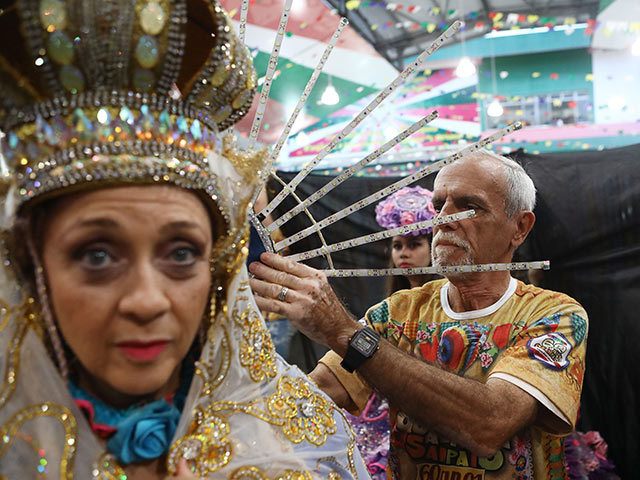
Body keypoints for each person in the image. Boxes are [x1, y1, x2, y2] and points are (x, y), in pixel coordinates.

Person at [0, 1, 370, 478]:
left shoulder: (297, 449)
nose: (147, 301)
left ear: (217, 270)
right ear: (33, 267)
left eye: (181, 253)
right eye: (97, 256)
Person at [249, 149, 588, 479]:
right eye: (438, 206)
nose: (444, 220)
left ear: (520, 227)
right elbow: (308, 397)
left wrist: (345, 333)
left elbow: (489, 424)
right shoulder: (397, 311)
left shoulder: (554, 316)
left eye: (469, 207)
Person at [349, 186, 438, 479]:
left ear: (434, 247)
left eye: (414, 245)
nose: (404, 254)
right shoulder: (386, 309)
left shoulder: (450, 302)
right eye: (398, 245)